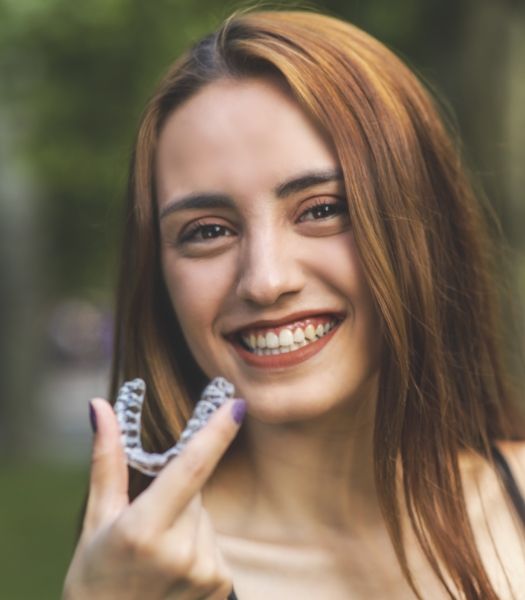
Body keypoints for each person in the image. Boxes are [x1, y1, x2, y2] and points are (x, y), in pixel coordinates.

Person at [62, 9, 525, 600]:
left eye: (322, 209)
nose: (265, 280)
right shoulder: (151, 575)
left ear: (424, 227)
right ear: (157, 278)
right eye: (207, 231)